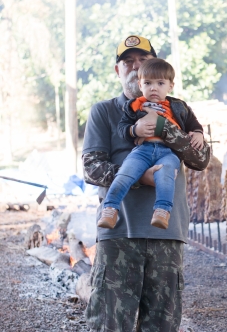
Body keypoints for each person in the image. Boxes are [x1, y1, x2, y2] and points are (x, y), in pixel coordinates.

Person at [82, 35, 196, 331]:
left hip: (167, 233)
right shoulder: (105, 112)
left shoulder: (179, 111)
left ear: (157, 71)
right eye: (127, 62)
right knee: (110, 323)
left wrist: (166, 128)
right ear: (117, 71)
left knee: (162, 324)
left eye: (143, 61)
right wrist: (139, 177)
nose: (135, 68)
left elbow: (200, 159)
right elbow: (91, 168)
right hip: (118, 233)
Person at [97, 58, 204, 230]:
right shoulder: (134, 106)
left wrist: (198, 133)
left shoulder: (179, 107)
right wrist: (135, 130)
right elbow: (122, 128)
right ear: (140, 85)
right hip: (143, 150)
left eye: (160, 83)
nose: (153, 87)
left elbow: (194, 125)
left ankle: (162, 211)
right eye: (148, 83)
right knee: (126, 172)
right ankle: (110, 208)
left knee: (167, 174)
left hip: (168, 152)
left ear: (170, 86)